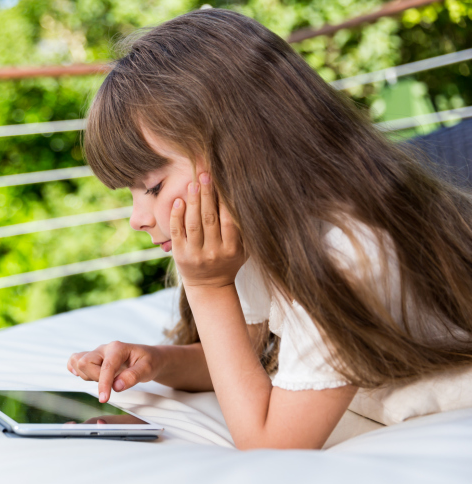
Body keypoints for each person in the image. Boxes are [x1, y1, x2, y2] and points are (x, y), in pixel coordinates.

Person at [65, 9, 472, 450]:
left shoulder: (349, 251)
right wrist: (155, 361)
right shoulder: (259, 230)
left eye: (153, 186)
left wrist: (207, 287)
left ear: (240, 146)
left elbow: (271, 449)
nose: (137, 219)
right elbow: (250, 355)